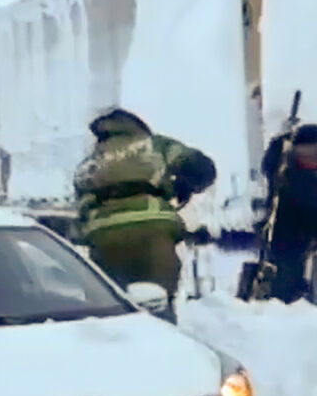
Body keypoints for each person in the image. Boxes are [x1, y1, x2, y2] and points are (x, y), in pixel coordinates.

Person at [73, 108, 216, 323]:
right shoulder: (155, 145)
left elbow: (81, 218)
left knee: (117, 309)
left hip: (105, 238)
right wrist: (187, 186)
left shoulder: (89, 164)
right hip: (154, 233)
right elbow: (201, 167)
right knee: (159, 307)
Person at [260, 123, 317, 304]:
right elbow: (268, 165)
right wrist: (279, 140)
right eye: (309, 149)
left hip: (308, 241)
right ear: (298, 148)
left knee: (305, 288)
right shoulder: (285, 171)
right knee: (284, 290)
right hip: (285, 240)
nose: (314, 153)